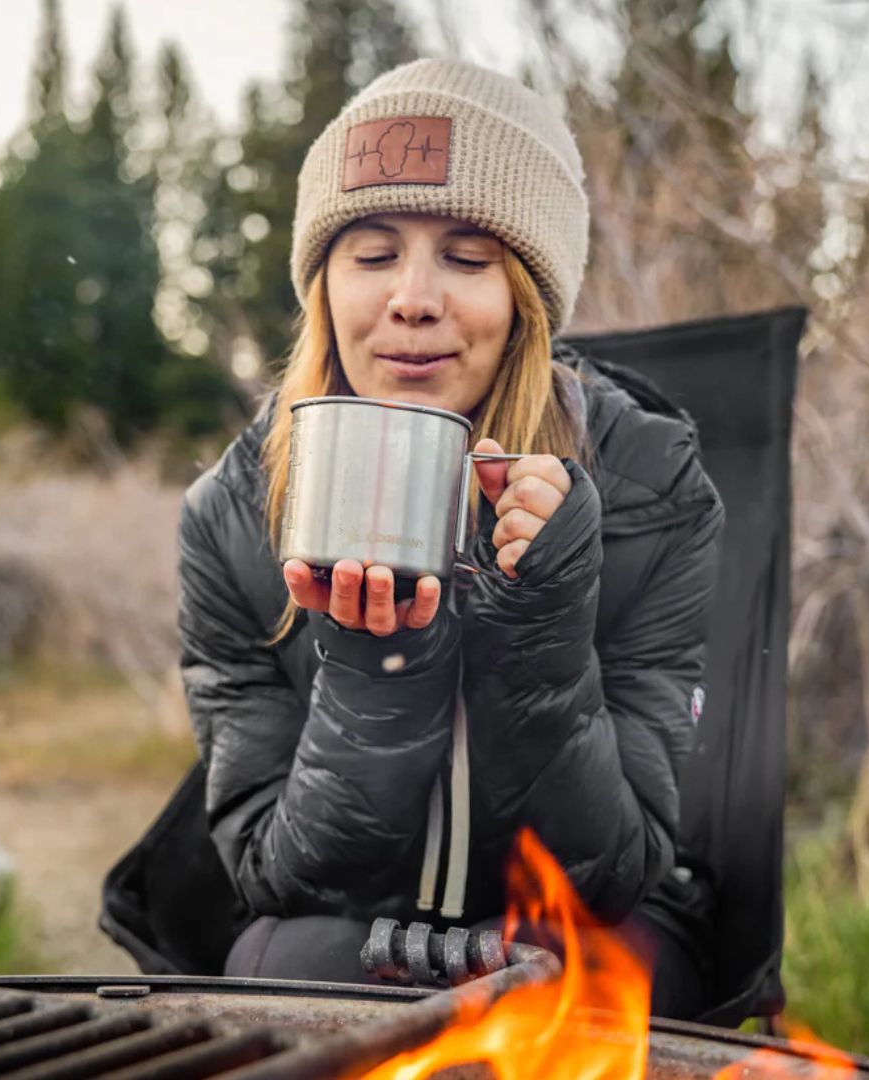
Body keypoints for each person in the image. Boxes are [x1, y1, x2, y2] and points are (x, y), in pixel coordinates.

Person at [178, 58, 724, 1018]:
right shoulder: (232, 517)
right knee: (279, 982)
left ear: (527, 300)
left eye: (468, 259)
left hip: (581, 931)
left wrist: (541, 632)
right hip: (348, 922)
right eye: (373, 252)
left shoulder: (652, 493)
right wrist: (376, 665)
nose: (415, 299)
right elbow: (275, 873)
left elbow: (617, 874)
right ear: (323, 287)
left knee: (573, 1011)